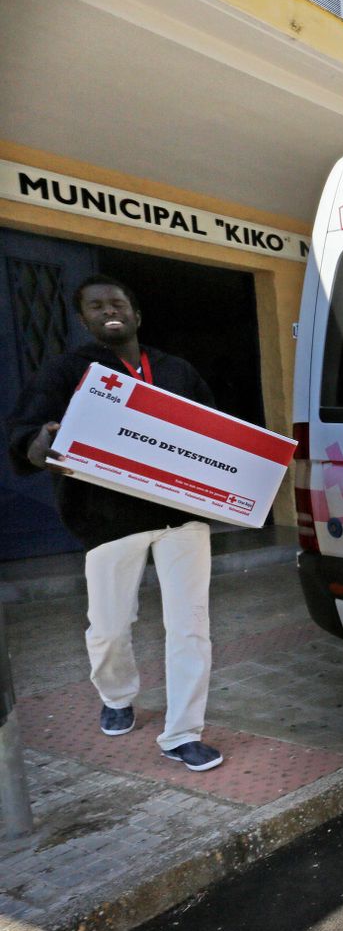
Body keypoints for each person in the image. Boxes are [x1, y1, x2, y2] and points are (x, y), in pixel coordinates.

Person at [6, 274, 223, 771]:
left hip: (179, 516)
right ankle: (117, 695)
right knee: (108, 627)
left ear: (136, 314)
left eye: (118, 302)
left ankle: (183, 733)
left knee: (191, 627)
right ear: (83, 319)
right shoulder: (66, 371)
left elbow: (215, 433)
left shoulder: (175, 370)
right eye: (96, 305)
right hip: (105, 517)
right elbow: (25, 433)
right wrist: (39, 442)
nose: (110, 309)